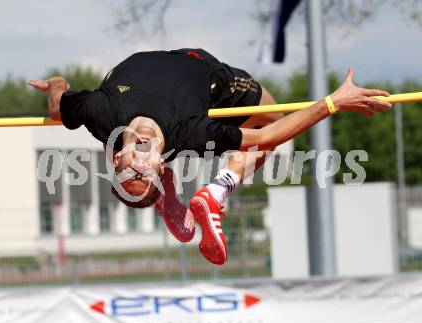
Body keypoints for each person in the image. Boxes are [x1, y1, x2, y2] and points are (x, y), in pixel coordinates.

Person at [29, 48, 392, 265]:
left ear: (115, 158)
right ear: (160, 165)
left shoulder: (98, 112)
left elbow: (60, 106)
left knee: (266, 132)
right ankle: (218, 191)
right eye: (146, 171)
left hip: (140, 74)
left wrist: (57, 81)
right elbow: (267, 135)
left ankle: (184, 193)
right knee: (272, 118)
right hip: (208, 74)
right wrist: (333, 102)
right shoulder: (192, 132)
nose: (138, 160)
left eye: (129, 169)